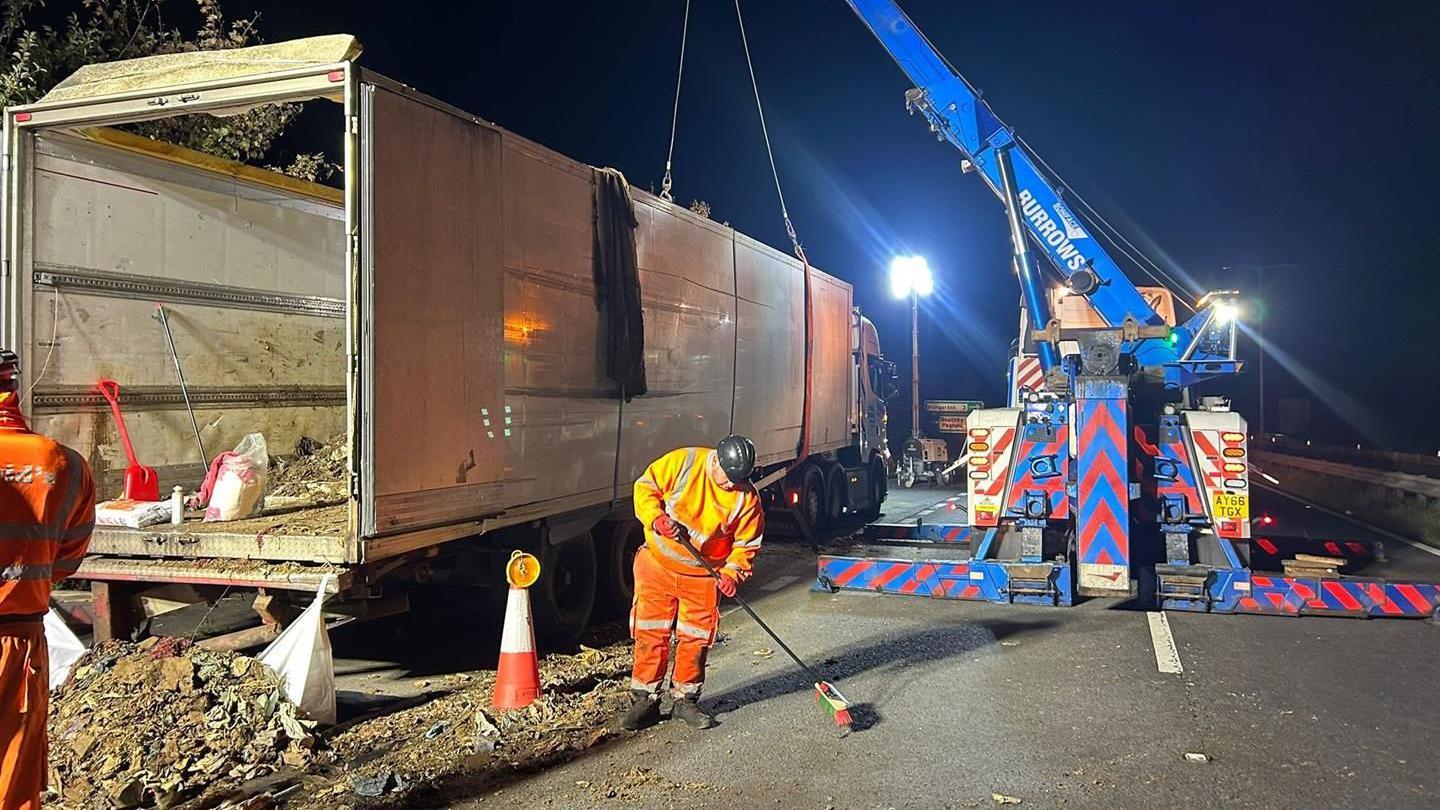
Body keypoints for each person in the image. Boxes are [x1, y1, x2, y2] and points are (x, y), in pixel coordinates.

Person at [0, 349, 95, 809]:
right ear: (13, 390)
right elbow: (65, 562)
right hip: (17, 643)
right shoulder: (67, 465)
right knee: (14, 775)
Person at [621, 435, 763, 730]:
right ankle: (644, 700)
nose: (730, 485)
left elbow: (746, 544)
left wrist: (732, 574)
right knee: (650, 633)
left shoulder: (746, 498)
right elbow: (644, 488)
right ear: (716, 460)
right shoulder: (684, 462)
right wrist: (656, 518)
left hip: (702, 576)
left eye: (738, 481)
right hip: (658, 565)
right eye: (727, 479)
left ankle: (685, 701)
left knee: (696, 640)